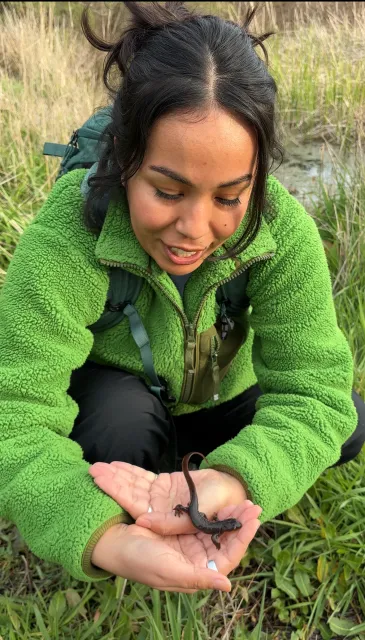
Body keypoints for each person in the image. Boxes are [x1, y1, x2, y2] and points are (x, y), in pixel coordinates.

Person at [0, 1, 364, 595]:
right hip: (121, 403)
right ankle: (132, 487)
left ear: (257, 177)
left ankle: (187, 471)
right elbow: (11, 413)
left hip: (222, 393)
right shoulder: (69, 232)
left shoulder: (282, 230)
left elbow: (313, 392)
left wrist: (237, 479)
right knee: (119, 427)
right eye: (167, 190)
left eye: (228, 197)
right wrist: (100, 536)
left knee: (347, 420)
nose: (194, 228)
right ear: (125, 160)